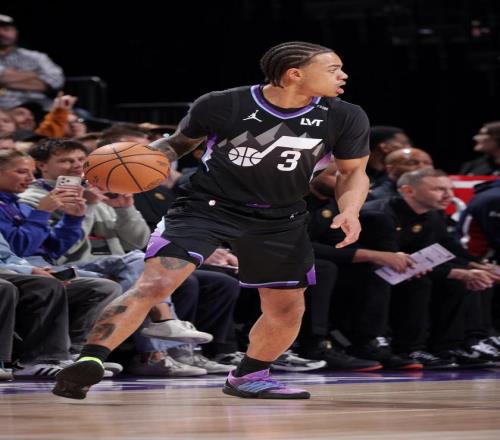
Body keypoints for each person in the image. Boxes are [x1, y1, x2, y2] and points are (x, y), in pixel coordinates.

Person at [54, 41, 371, 400]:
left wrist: (350, 210)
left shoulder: (345, 115)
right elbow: (178, 144)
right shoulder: (224, 103)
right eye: (333, 69)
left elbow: (352, 172)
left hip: (279, 216)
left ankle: (248, 376)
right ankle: (89, 361)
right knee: (155, 284)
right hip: (205, 207)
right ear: (295, 74)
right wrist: (138, 161)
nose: (343, 75)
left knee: (287, 308)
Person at [0, 14, 64, 110]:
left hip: (40, 105)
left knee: (79, 115)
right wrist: (34, 74)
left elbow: (57, 80)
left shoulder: (36, 57)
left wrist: (4, 82)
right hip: (4, 108)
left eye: (6, 29)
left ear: (15, 32)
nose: (1, 33)